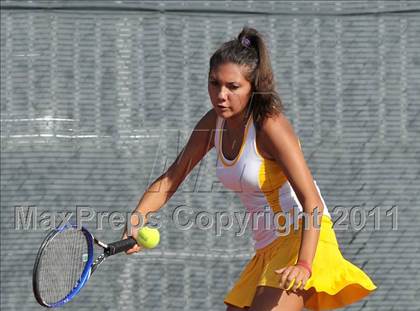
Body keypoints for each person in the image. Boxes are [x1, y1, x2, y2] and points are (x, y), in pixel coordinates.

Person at [123, 26, 377, 311]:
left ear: (253, 87)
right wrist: (138, 216)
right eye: (214, 83)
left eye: (233, 87)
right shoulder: (213, 123)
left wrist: (305, 265)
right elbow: (173, 176)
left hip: (303, 239)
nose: (221, 95)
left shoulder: (270, 127)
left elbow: (312, 202)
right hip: (267, 248)